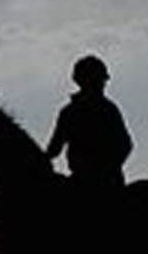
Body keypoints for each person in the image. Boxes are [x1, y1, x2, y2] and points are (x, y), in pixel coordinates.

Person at [44, 54, 132, 195]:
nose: (102, 85)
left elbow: (125, 145)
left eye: (102, 80)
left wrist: (105, 168)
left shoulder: (107, 109)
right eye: (99, 80)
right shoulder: (71, 112)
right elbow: (54, 148)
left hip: (107, 182)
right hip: (84, 180)